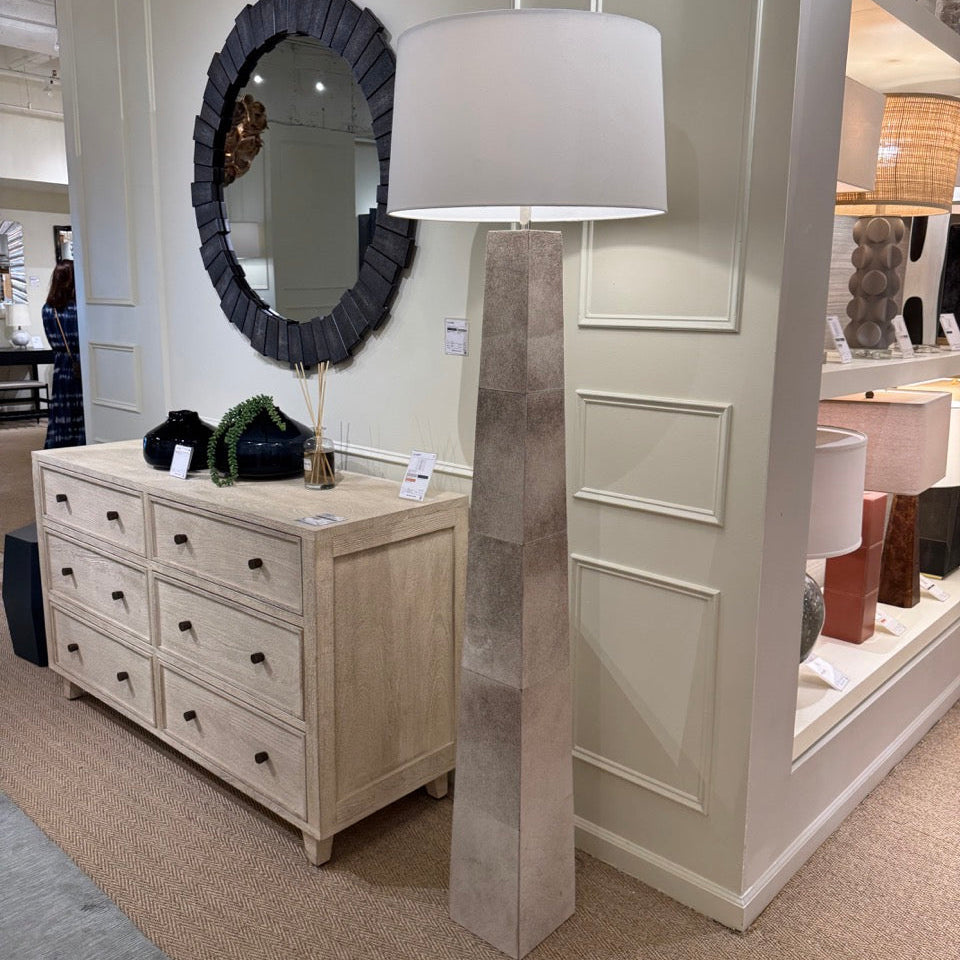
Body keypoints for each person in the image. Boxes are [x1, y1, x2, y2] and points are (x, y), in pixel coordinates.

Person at [42, 259, 86, 448]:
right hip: (81, 363)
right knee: (82, 412)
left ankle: (58, 447)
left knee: (62, 412)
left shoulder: (47, 310)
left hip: (61, 365)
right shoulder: (80, 309)